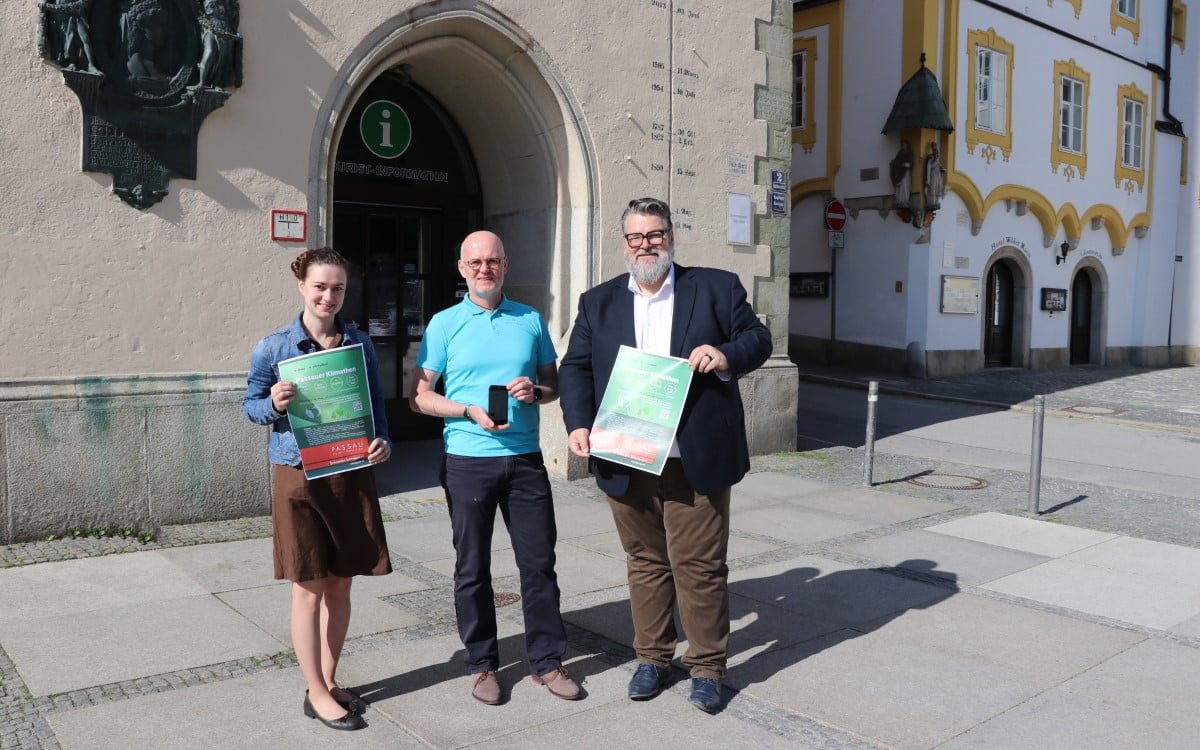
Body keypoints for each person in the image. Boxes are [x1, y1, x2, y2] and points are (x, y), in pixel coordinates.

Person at [558, 197, 772, 713]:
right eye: (636, 237)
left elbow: (759, 338)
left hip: (694, 456)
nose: (646, 245)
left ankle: (707, 667)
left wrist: (725, 354)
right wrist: (578, 423)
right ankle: (652, 658)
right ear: (625, 243)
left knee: (699, 566)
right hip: (627, 453)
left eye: (654, 235)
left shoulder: (716, 287)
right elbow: (576, 367)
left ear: (670, 237)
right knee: (646, 562)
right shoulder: (598, 302)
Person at [410, 230, 581, 705]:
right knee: (472, 568)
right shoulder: (444, 324)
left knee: (539, 564)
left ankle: (547, 661)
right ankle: (482, 664)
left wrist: (536, 392)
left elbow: (552, 386)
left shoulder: (529, 319)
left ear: (505, 265)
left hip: (524, 459)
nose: (484, 269)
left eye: (493, 261)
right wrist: (467, 410)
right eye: (476, 262)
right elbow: (419, 396)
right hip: (467, 460)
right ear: (462, 269)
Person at [243, 247, 394, 732]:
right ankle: (314, 690)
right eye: (320, 287)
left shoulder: (359, 344)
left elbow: (374, 405)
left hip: (350, 472)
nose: (329, 296)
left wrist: (382, 440)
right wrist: (273, 403)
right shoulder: (274, 347)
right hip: (299, 474)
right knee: (307, 586)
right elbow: (250, 407)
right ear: (302, 287)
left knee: (341, 583)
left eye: (338, 288)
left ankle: (328, 681)